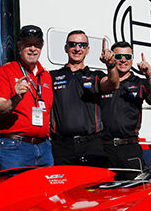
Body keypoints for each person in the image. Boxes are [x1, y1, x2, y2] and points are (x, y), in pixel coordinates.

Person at [48, 31, 118, 166]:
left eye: (82, 45)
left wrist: (111, 65)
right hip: (61, 146)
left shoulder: (96, 75)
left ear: (87, 50)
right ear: (66, 48)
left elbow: (113, 84)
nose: (77, 48)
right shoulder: (52, 76)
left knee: (93, 186)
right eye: (72, 44)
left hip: (91, 144)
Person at [0, 25, 55, 170]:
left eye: (36, 45)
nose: (33, 49)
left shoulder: (46, 76)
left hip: (44, 147)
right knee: (16, 192)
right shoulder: (6, 70)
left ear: (41, 46)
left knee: (45, 192)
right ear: (19, 46)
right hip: (15, 147)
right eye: (28, 45)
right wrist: (16, 98)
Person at [101, 41, 151, 169]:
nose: (123, 60)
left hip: (130, 148)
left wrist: (149, 75)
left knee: (135, 188)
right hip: (104, 148)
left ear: (132, 59)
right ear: (112, 58)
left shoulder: (139, 83)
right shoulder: (104, 81)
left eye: (128, 57)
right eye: (118, 57)